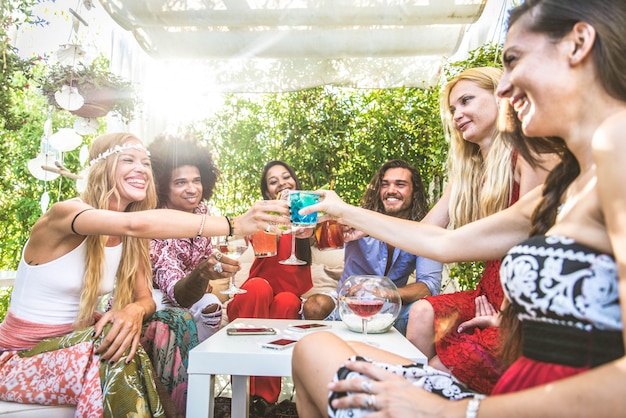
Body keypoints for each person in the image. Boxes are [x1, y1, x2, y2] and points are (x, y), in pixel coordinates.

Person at [291, 0, 626, 416]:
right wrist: (343, 212)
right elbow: (445, 243)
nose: (504, 88)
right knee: (313, 348)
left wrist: (451, 411)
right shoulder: (565, 184)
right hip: (510, 394)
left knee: (328, 366)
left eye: (514, 60)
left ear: (578, 44)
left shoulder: (618, 139)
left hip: (506, 407)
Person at [0, 132, 289, 417]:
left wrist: (134, 310)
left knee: (171, 321)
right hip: (23, 356)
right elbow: (134, 224)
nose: (140, 169)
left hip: (83, 340)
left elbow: (144, 298)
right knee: (119, 355)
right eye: (128, 160)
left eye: (145, 163)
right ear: (103, 166)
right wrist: (235, 224)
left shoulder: (131, 238)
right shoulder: (66, 213)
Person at [405, 66, 555, 394]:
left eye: (466, 101)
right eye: (452, 109)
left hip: (522, 294)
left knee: (437, 370)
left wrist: (508, 310)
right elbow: (426, 230)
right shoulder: (469, 170)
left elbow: (534, 242)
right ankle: (420, 400)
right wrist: (362, 228)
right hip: (488, 290)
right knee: (421, 312)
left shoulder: (527, 153)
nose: (457, 114)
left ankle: (432, 400)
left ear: (500, 96)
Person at [302, 159, 443, 336]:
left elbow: (429, 286)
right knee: (314, 306)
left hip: (392, 307)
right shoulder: (357, 216)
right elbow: (322, 232)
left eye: (400, 184)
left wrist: (384, 292)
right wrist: (312, 226)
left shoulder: (423, 230)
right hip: (348, 302)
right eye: (385, 185)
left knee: (425, 310)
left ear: (414, 192)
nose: (391, 190)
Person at [225, 160, 314, 411]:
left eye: (286, 177)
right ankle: (245, 391)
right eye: (273, 181)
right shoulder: (262, 218)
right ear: (267, 193)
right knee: (258, 287)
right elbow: (237, 233)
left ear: (295, 182)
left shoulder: (308, 217)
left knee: (288, 300)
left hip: (286, 300)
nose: (282, 183)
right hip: (252, 300)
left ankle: (265, 398)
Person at [148, 133, 226, 342]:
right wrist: (202, 275)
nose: (192, 189)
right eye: (181, 182)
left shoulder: (202, 212)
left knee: (212, 305)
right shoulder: (156, 221)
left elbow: (206, 258)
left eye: (197, 181)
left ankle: (199, 368)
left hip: (190, 295)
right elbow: (176, 292)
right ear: (163, 186)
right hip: (156, 298)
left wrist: (204, 276)